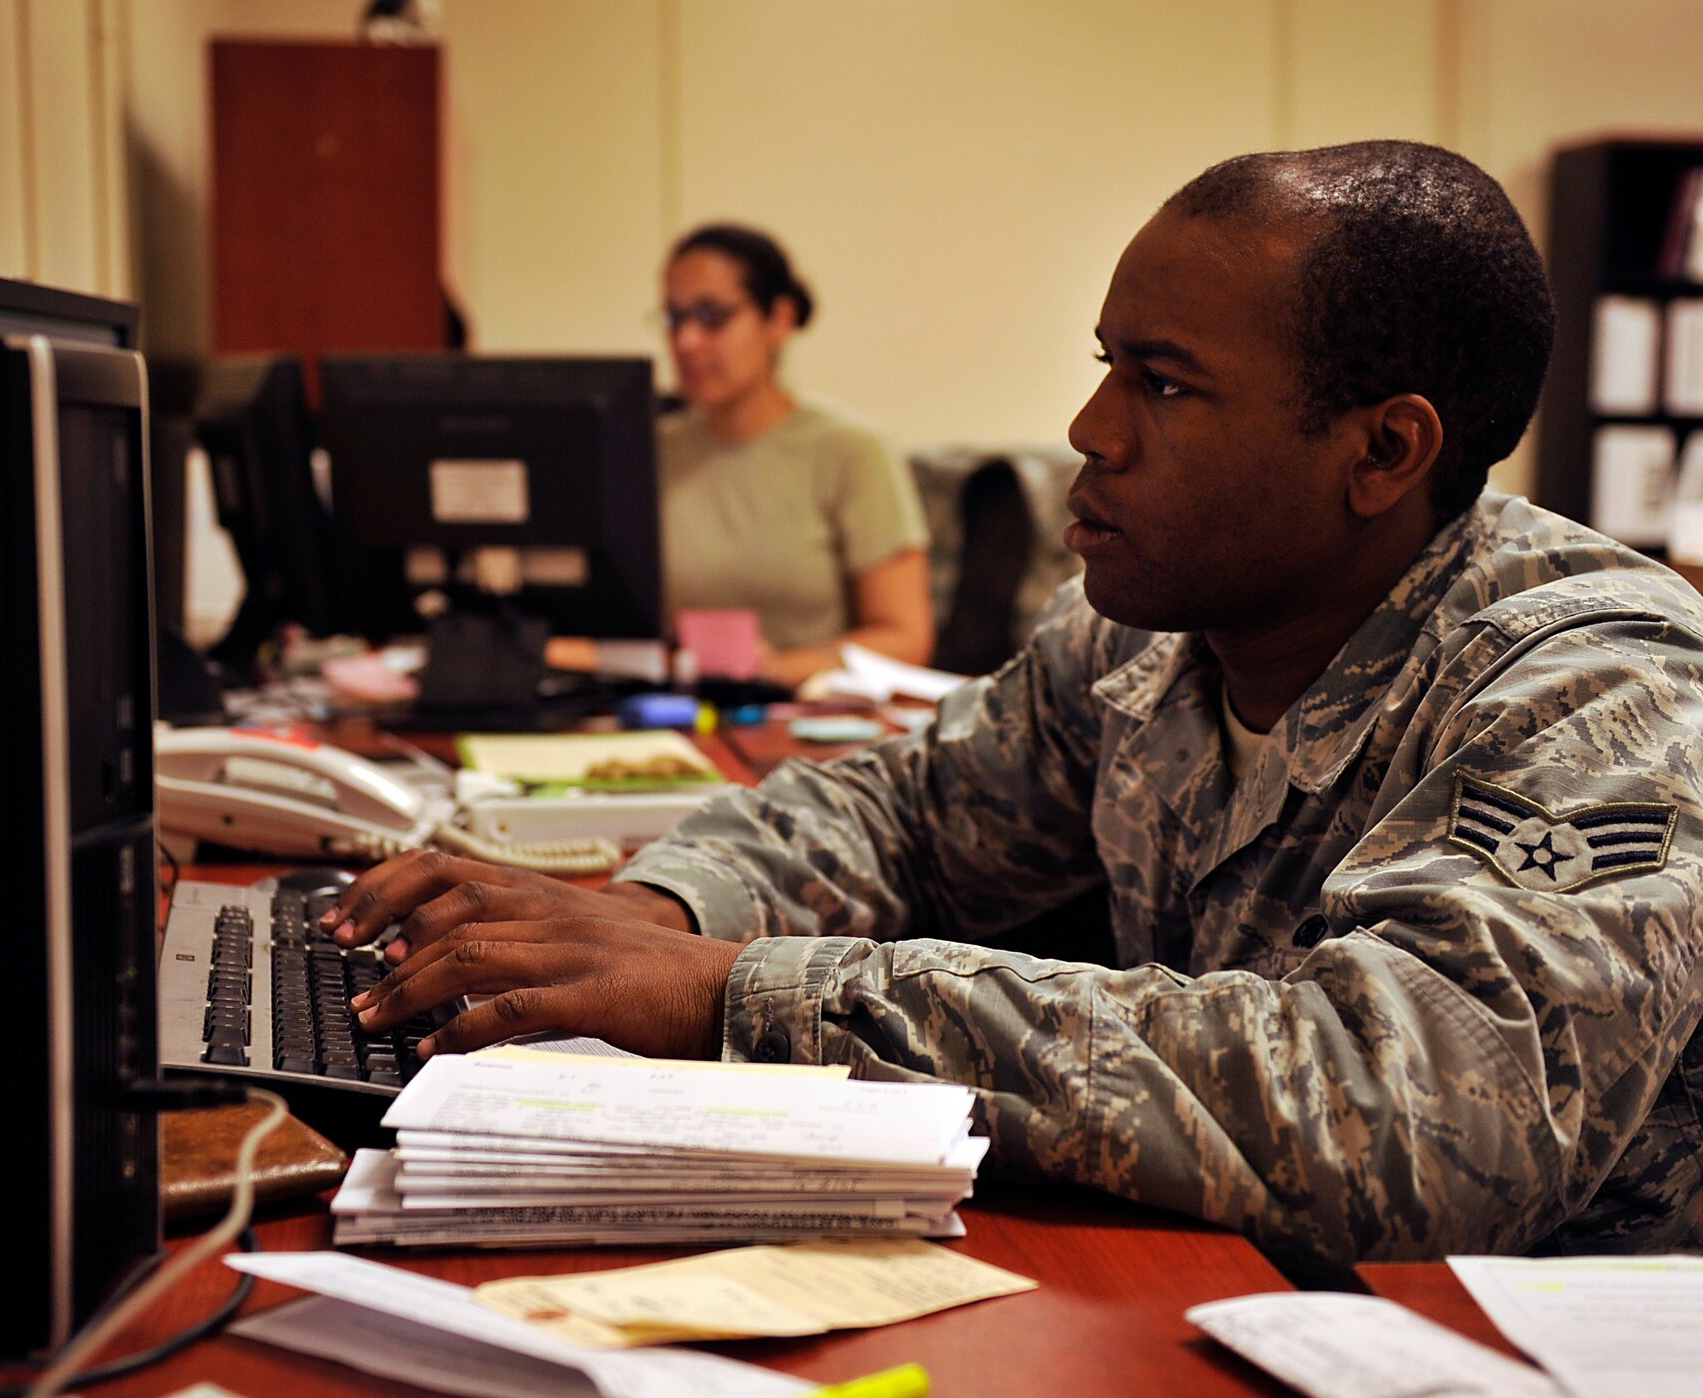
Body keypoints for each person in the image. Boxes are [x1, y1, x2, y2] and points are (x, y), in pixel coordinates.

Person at [325, 141, 1703, 1276]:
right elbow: (909, 816)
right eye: (1108, 364)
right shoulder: (1137, 634)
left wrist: (744, 992)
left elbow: (1413, 1118)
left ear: (1384, 450)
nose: (1091, 429)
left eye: (1162, 383)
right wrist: (667, 910)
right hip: (1244, 1292)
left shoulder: (1598, 689)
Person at [655, 223, 934, 688]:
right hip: (678, 709)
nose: (686, 341)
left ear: (779, 320)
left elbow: (905, 637)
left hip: (807, 718)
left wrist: (773, 669)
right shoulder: (654, 451)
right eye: (674, 318)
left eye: (711, 317)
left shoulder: (851, 450)